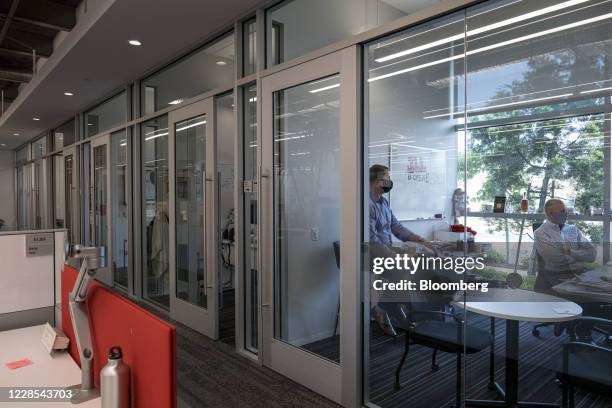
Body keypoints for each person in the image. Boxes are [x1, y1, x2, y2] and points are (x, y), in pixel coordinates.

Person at [534, 198, 596, 294]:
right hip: (556, 279)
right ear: (550, 214)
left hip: (580, 276)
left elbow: (592, 255)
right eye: (562, 211)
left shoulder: (573, 229)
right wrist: (580, 256)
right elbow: (557, 261)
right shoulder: (541, 233)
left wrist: (570, 252)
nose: (566, 213)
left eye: (566, 210)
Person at [369, 164, 425, 256]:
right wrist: (395, 257)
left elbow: (396, 226)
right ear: (377, 182)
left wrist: (417, 238)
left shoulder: (384, 202)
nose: (390, 182)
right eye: (387, 178)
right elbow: (372, 241)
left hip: (388, 250)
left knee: (422, 256)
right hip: (377, 257)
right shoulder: (368, 205)